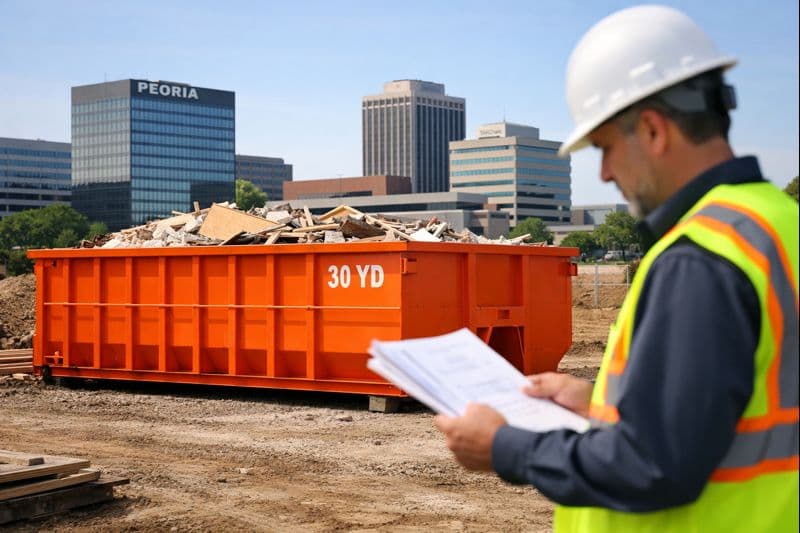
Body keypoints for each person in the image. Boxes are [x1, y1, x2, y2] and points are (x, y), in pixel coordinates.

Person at [433, 5, 798, 532]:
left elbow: (652, 465)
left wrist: (505, 446)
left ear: (652, 130)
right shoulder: (780, 224)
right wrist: (599, 403)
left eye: (604, 147)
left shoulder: (702, 257)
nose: (603, 173)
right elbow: (740, 399)